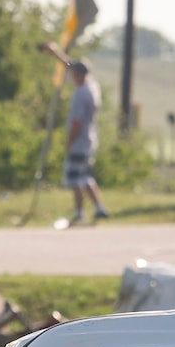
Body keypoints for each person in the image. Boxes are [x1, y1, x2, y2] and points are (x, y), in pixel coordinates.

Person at [61, 58, 108, 227]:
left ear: (77, 74)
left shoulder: (81, 93)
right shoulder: (92, 87)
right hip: (89, 140)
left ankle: (79, 212)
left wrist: (69, 142)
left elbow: (76, 123)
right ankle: (99, 207)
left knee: (76, 179)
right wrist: (56, 53)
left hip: (79, 142)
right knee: (86, 177)